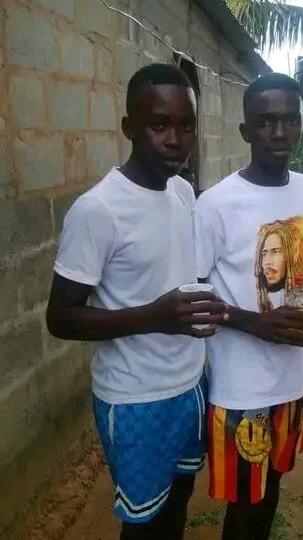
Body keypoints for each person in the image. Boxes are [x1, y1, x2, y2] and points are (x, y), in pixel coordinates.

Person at [46, 63, 227, 540]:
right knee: (144, 523)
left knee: (179, 500)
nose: (175, 140)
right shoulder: (98, 210)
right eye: (159, 125)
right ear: (129, 127)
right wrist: (154, 317)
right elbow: (61, 318)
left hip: (190, 384)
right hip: (135, 398)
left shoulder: (183, 192)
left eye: (186, 126)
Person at [193, 73, 303, 540]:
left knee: (272, 487)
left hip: (292, 380)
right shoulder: (215, 205)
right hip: (240, 388)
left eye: (291, 120)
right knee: (244, 505)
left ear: (302, 125)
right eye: (266, 121)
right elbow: (192, 295)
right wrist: (255, 323)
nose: (279, 132)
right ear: (245, 130)